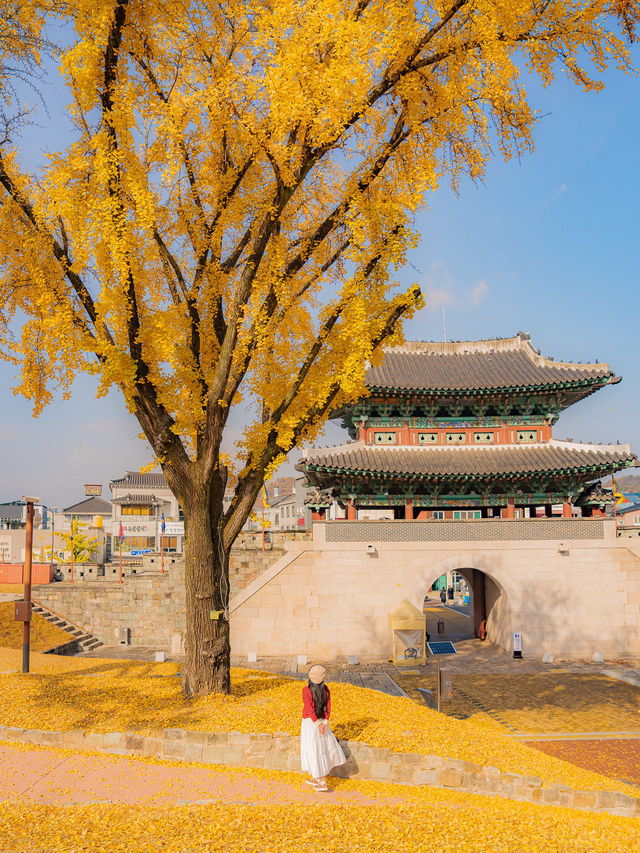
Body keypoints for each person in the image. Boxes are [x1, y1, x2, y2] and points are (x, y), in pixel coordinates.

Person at [300, 664, 346, 792]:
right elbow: (328, 707)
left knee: (314, 750)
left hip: (311, 724)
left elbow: (309, 709)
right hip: (322, 723)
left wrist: (317, 724)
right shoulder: (326, 690)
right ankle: (316, 777)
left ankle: (321, 781)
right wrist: (324, 723)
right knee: (321, 748)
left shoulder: (306, 690)